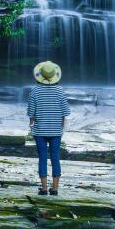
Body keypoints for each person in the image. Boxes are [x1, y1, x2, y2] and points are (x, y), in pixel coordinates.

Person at [27, 61, 69, 196]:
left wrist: (32, 126)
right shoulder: (60, 91)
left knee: (43, 158)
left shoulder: (34, 91)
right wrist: (60, 128)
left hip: (40, 131)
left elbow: (31, 115)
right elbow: (65, 113)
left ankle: (44, 188)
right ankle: (55, 188)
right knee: (55, 157)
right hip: (56, 131)